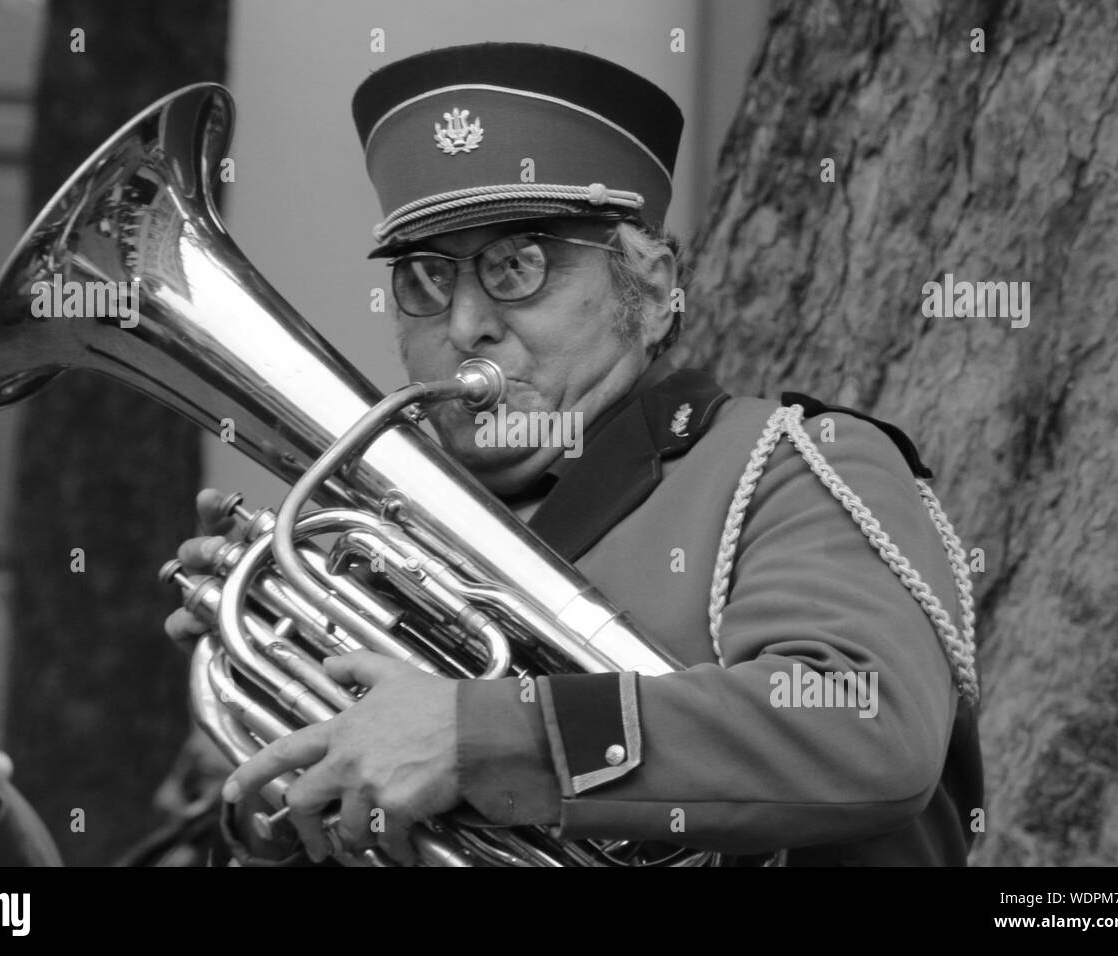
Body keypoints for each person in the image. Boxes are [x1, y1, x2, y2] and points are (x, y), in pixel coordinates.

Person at [167, 42, 983, 867]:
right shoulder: (366, 551)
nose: (464, 326)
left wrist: (480, 736)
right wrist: (279, 762)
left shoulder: (783, 467)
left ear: (652, 289)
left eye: (517, 266)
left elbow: (865, 722)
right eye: (425, 279)